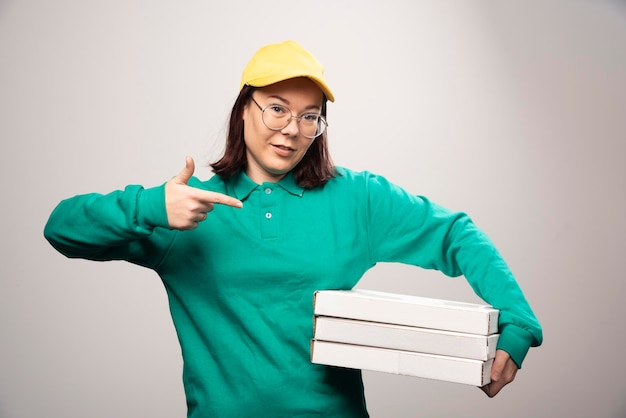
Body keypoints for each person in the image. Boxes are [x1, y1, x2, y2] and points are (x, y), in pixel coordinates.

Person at [44, 40, 543, 417]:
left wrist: (517, 323)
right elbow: (62, 227)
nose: (291, 129)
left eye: (310, 116)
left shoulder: (358, 199)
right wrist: (151, 204)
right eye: (277, 108)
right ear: (244, 108)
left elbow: (455, 233)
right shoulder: (184, 209)